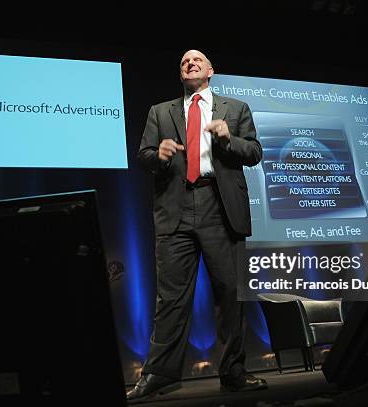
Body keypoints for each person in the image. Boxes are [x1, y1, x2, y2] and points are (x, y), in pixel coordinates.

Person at [128, 49, 266, 403]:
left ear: (210, 71)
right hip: (175, 207)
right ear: (181, 75)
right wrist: (157, 156)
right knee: (170, 298)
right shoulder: (161, 111)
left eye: (197, 60)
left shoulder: (234, 109)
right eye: (184, 62)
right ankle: (159, 375)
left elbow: (254, 153)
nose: (189, 63)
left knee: (231, 294)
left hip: (219, 207)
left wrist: (226, 139)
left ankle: (234, 373)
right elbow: (144, 156)